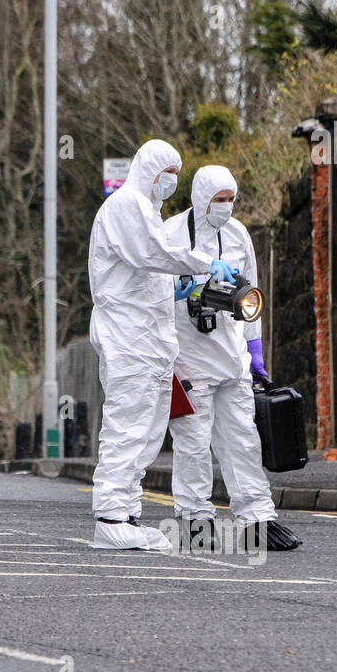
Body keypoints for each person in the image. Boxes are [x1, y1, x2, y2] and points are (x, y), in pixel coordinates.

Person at [87, 140, 238, 550]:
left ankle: (127, 510)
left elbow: (145, 272)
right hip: (129, 340)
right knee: (127, 425)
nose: (172, 180)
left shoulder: (147, 211)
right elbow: (153, 254)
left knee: (149, 430)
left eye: (176, 172)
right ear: (149, 170)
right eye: (167, 171)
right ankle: (110, 516)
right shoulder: (125, 205)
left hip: (150, 342)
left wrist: (176, 288)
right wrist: (204, 264)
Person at [164, 165, 301, 551]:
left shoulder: (238, 234)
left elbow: (252, 296)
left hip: (231, 354)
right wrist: (186, 288)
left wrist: (254, 350)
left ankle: (258, 518)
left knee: (243, 439)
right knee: (192, 442)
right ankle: (194, 518)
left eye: (230, 200)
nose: (225, 207)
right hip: (187, 355)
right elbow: (153, 287)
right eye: (217, 200)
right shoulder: (172, 234)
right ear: (200, 198)